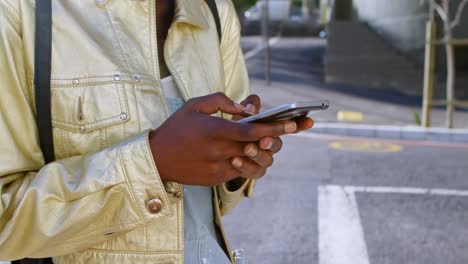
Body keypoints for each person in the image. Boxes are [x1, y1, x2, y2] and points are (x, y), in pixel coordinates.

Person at [0, 0, 313, 263]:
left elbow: (212, 208)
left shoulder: (214, 11)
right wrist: (152, 165)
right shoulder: (21, 12)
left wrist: (239, 161)